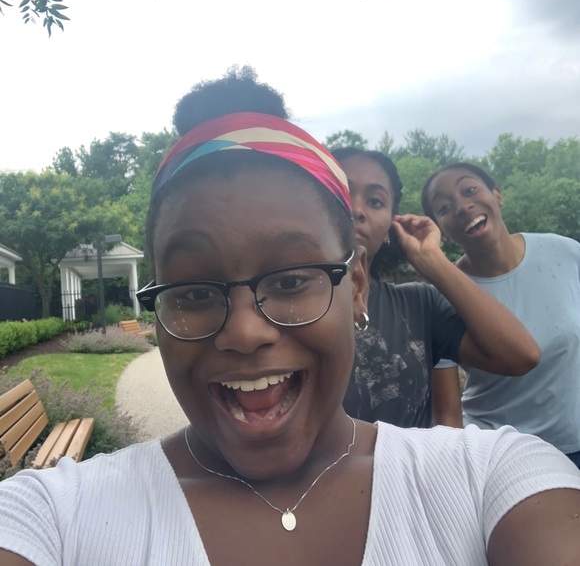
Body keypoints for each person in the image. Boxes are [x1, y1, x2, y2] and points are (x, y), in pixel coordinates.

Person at [0, 69, 579, 565]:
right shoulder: (56, 517)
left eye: (292, 280)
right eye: (194, 291)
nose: (244, 332)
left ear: (356, 286)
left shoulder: (490, 480)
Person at [332, 148, 525, 429]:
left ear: (389, 229)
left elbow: (520, 356)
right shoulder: (272, 300)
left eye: (375, 201)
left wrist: (432, 260)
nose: (356, 210)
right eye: (342, 193)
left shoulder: (419, 305)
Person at [422, 161, 580, 468]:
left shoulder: (565, 252)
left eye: (470, 190)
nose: (463, 207)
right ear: (440, 230)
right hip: (504, 455)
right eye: (444, 208)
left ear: (497, 195)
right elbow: (447, 417)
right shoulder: (442, 296)